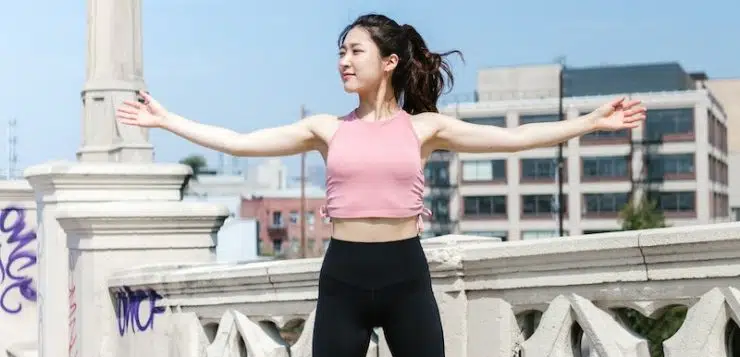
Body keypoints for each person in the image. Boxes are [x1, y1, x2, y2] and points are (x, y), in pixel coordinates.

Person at [116, 13, 646, 357]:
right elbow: (236, 143)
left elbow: (515, 139)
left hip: (405, 278)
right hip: (343, 278)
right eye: (341, 52)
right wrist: (167, 121)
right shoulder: (326, 129)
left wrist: (591, 123)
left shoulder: (424, 129)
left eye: (356, 52)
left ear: (389, 62)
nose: (344, 61)